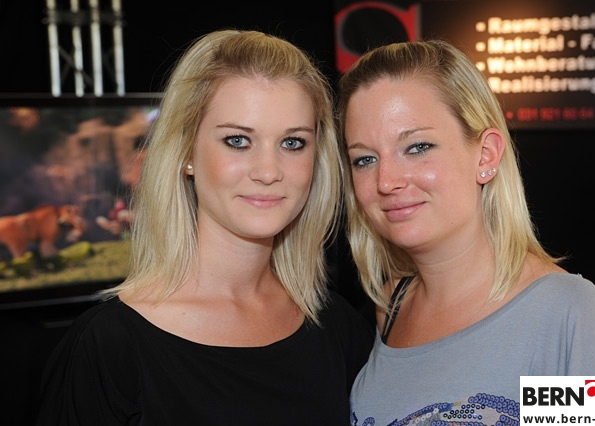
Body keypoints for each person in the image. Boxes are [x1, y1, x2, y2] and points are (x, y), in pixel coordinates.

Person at [36, 29, 374, 426]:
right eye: (237, 140)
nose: (268, 171)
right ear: (187, 152)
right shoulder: (108, 347)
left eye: (293, 143)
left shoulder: (335, 325)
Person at [336, 39, 595, 425]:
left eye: (417, 147)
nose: (386, 181)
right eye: (365, 159)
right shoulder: (390, 310)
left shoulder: (566, 318)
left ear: (485, 155)